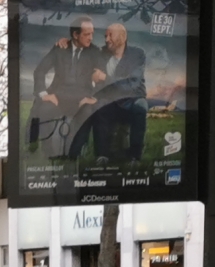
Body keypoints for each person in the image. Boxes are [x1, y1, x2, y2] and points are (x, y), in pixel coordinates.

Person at [32, 18, 102, 159]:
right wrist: (44, 94)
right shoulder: (60, 48)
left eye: (92, 34)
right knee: (45, 109)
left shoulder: (95, 52)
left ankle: (73, 155)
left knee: (88, 111)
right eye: (86, 34)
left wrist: (92, 97)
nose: (91, 38)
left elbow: (101, 77)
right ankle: (50, 155)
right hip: (57, 96)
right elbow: (40, 70)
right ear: (75, 35)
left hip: (81, 98)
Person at [88, 22, 149, 163]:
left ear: (123, 36)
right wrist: (65, 42)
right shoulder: (101, 53)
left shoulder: (138, 54)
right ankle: (102, 156)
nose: (107, 39)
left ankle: (135, 156)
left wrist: (105, 78)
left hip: (132, 99)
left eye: (110, 35)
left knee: (140, 107)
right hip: (110, 100)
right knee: (98, 105)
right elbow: (84, 53)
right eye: (105, 36)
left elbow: (133, 83)